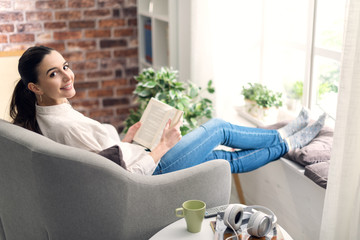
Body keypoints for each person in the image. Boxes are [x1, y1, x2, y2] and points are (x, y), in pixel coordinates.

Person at [10, 46, 326, 175]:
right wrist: (163, 146)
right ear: (34, 87)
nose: (67, 76)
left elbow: (103, 157)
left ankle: (288, 141)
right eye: (54, 74)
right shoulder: (65, 127)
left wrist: (128, 138)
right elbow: (123, 177)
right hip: (151, 172)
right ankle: (286, 136)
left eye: (65, 66)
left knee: (220, 158)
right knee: (218, 128)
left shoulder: (51, 114)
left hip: (138, 154)